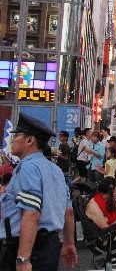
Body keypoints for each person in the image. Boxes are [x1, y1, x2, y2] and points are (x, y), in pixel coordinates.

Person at [0, 112, 77, 270]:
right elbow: (68, 211)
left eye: (17, 135)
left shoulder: (28, 168)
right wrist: (69, 243)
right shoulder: (55, 170)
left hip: (25, 248)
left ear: (30, 140)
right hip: (50, 247)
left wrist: (23, 259)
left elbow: (31, 213)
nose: (13, 139)